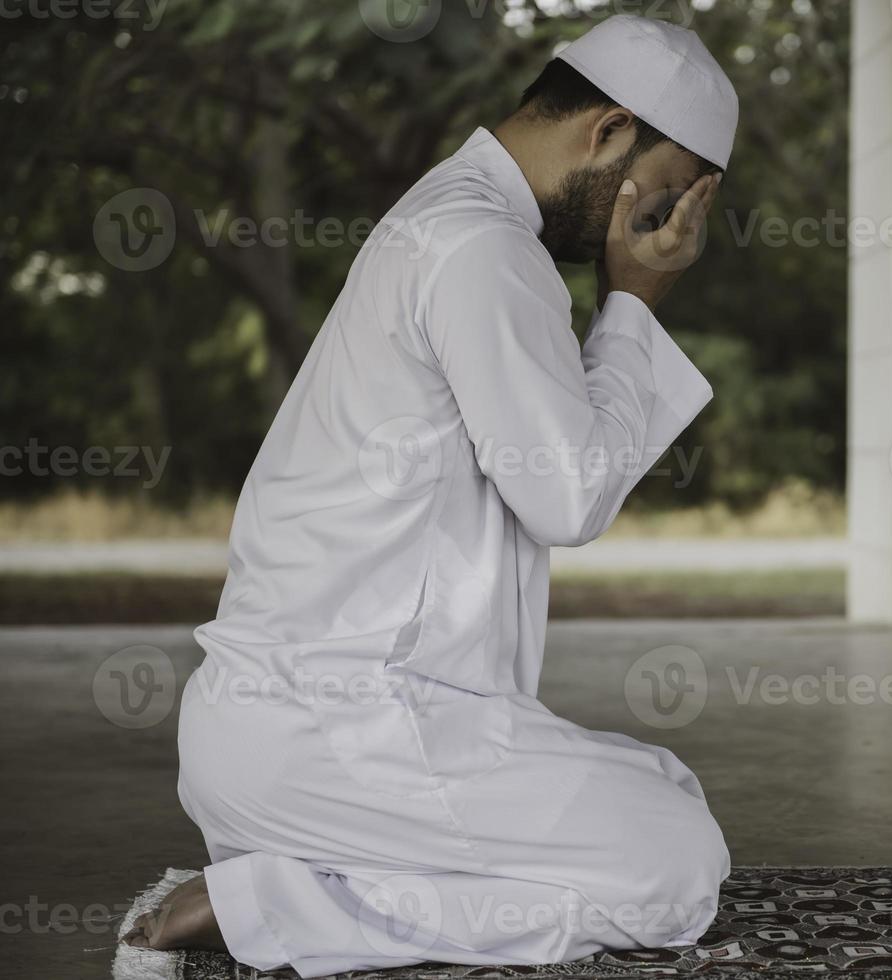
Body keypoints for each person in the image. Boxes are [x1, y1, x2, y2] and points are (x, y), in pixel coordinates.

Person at [122, 14, 738, 977]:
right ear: (607, 130)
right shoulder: (480, 245)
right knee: (676, 871)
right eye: (657, 198)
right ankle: (273, 902)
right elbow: (566, 498)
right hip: (334, 731)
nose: (654, 229)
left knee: (663, 783)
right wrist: (633, 301)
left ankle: (322, 869)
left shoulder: (454, 217)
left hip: (314, 730)